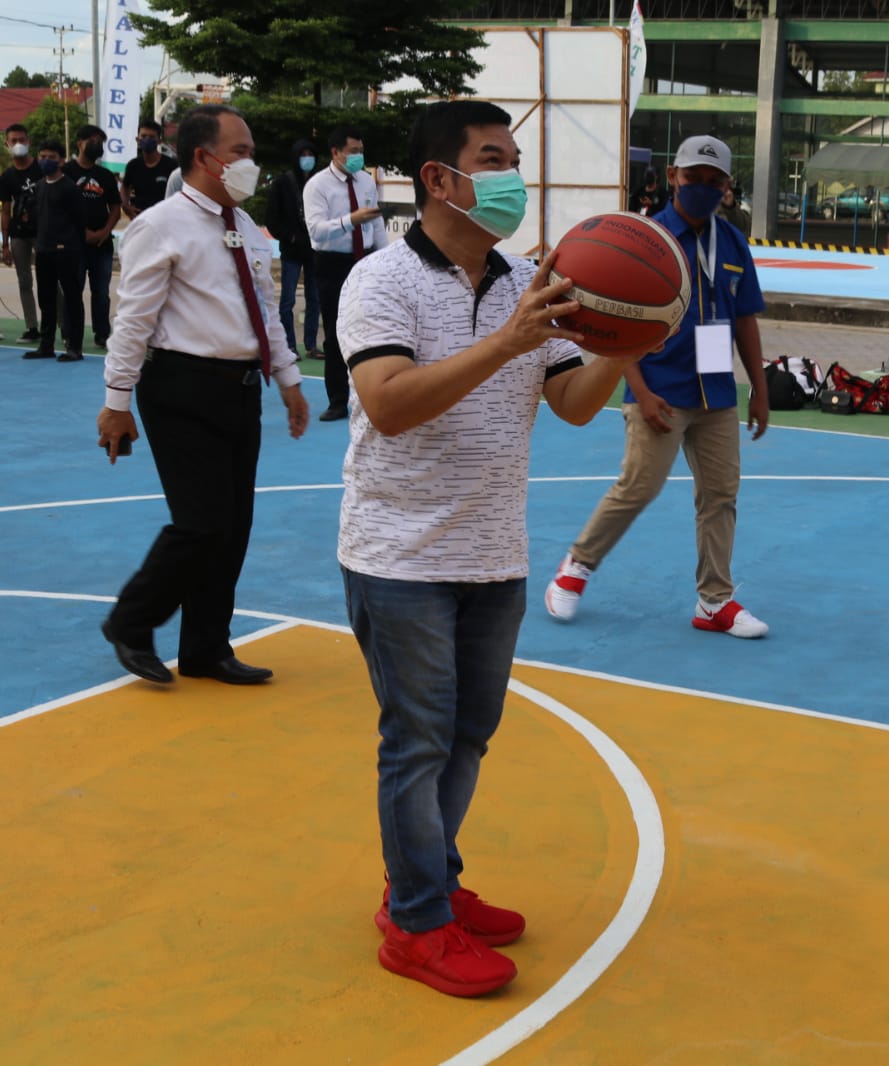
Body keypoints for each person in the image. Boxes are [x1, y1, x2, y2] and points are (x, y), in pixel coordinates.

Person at [337, 98, 639, 998]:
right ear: (440, 178)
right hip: (399, 558)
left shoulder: (520, 282)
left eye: (513, 156)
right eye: (494, 157)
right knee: (418, 742)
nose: (512, 174)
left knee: (468, 737)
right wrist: (508, 340)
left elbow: (573, 403)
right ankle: (416, 925)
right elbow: (388, 405)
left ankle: (429, 883)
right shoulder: (381, 282)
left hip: (492, 553)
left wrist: (629, 343)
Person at [97, 104, 309, 686]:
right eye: (240, 152)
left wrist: (288, 380)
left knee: (234, 526)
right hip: (180, 387)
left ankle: (206, 647)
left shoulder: (244, 227)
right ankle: (131, 622)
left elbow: (266, 309)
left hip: (241, 387)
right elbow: (133, 320)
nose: (250, 163)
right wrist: (116, 401)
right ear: (203, 158)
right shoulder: (160, 226)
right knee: (201, 522)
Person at [545, 133, 770, 639]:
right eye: (693, 179)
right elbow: (613, 328)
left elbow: (746, 319)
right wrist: (640, 392)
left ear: (727, 188)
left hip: (716, 392)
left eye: (714, 182)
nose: (703, 189)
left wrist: (758, 386)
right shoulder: (642, 241)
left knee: (720, 496)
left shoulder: (732, 241)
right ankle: (575, 568)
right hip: (659, 388)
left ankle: (715, 601)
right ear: (672, 176)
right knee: (638, 486)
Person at [304, 127, 387, 422]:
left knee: (371, 328)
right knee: (336, 330)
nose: (358, 156)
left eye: (361, 151)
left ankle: (371, 393)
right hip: (331, 262)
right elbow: (316, 230)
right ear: (335, 152)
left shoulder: (365, 181)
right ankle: (338, 399)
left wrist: (383, 257)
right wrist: (350, 220)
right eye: (353, 151)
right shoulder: (318, 186)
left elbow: (375, 224)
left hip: (363, 259)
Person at [25, 140, 86, 362]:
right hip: (43, 250)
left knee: (71, 299)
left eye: (51, 157)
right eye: (42, 156)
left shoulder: (69, 188)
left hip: (67, 251)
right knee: (46, 299)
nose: (46, 161)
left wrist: (75, 249)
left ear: (61, 160)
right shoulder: (40, 185)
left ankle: (75, 347)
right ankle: (46, 345)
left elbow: (79, 221)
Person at [66, 124, 122, 348]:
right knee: (73, 290)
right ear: (80, 142)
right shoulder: (66, 172)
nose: (97, 145)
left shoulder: (106, 176)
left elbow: (116, 208)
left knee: (101, 292)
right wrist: (81, 233)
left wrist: (104, 232)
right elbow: (60, 208)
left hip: (102, 244)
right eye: (93, 140)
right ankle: (71, 334)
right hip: (74, 244)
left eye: (101, 142)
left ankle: (102, 333)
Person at [265, 138, 321, 359]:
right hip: (291, 250)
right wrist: (289, 236)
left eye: (311, 154)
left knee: (314, 299)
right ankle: (289, 345)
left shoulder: (319, 182)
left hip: (314, 249)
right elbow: (272, 218)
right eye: (302, 154)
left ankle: (310, 345)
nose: (307, 159)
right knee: (287, 299)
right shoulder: (282, 183)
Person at [0, 123, 43, 344]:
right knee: (25, 282)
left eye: (22, 140)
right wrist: (5, 244)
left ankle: (64, 325)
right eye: (13, 140)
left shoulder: (43, 168)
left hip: (44, 233)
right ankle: (32, 326)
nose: (18, 144)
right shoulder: (6, 177)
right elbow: (5, 211)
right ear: (7, 144)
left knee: (50, 281)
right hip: (19, 235)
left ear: (29, 142)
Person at [120, 116, 179, 220]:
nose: (147, 139)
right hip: (139, 219)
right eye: (143, 136)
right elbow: (125, 187)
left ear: (159, 141)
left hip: (165, 220)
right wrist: (126, 206)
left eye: (152, 137)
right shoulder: (133, 165)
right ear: (137, 139)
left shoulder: (171, 165)